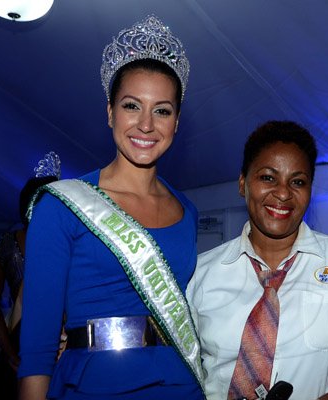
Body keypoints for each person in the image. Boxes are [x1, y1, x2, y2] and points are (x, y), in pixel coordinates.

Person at [18, 15, 204, 400]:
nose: (146, 125)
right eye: (132, 105)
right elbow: (36, 352)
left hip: (178, 386)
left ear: (177, 122)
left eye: (163, 110)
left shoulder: (187, 212)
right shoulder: (61, 205)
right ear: (110, 113)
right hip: (91, 385)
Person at [187, 120, 328, 400]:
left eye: (297, 182)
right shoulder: (199, 274)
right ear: (243, 183)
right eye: (268, 177)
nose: (283, 193)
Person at [0, 175, 58, 400]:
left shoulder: (10, 241)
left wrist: (8, 352)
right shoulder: (61, 241)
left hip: (23, 334)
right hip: (48, 332)